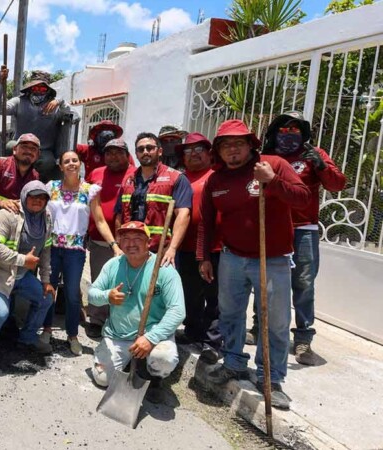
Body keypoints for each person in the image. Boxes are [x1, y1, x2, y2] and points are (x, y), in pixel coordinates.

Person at [198, 119, 309, 410]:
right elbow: (207, 222)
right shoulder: (216, 179)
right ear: (218, 151)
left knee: (275, 321)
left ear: (251, 144)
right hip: (232, 257)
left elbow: (303, 199)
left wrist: (272, 181)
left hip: (272, 259)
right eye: (225, 145)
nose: (232, 150)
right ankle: (233, 362)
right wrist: (205, 257)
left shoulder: (273, 164)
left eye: (238, 143)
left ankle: (270, 378)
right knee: (230, 314)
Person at [259, 111, 346, 365]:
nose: (288, 135)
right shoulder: (268, 156)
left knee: (304, 284)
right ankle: (258, 328)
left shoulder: (313, 155)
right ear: (275, 133)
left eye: (295, 130)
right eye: (283, 130)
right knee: (265, 280)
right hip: (273, 227)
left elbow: (337, 184)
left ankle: (303, 339)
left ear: (304, 133)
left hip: (304, 230)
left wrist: (321, 164)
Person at [88, 221, 185, 402]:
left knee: (163, 358)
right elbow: (92, 294)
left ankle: (155, 377)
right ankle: (128, 362)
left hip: (151, 334)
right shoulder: (113, 264)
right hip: (118, 335)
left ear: (148, 242)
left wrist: (151, 338)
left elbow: (178, 311)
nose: (131, 243)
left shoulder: (163, 269)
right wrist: (107, 296)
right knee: (102, 379)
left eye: (138, 238)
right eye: (125, 238)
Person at [0, 181, 55, 373]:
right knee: (0, 312)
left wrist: (46, 280)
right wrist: (22, 260)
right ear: (24, 196)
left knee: (46, 298)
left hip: (21, 276)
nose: (37, 201)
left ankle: (27, 338)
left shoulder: (46, 218)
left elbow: (45, 251)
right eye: (33, 196)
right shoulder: (7, 214)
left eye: (42, 197)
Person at [40, 151, 120, 356]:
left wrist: (114, 245)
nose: (71, 164)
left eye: (74, 160)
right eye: (66, 161)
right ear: (60, 166)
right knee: (49, 290)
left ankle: (72, 335)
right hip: (52, 248)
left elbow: (100, 220)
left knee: (73, 294)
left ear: (80, 164)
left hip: (75, 251)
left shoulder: (90, 190)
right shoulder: (51, 188)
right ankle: (47, 330)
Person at [174, 133, 222, 364]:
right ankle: (193, 331)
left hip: (213, 247)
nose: (192, 154)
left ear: (209, 152)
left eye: (198, 149)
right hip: (185, 246)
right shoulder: (180, 179)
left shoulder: (216, 177)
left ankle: (213, 342)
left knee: (214, 295)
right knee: (189, 293)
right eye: (187, 151)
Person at [115, 132, 193, 267]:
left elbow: (183, 214)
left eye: (150, 148)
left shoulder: (176, 178)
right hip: (131, 251)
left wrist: (172, 248)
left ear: (160, 151)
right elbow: (119, 214)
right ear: (136, 153)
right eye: (140, 149)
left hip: (161, 252)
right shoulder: (128, 181)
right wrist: (119, 244)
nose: (145, 152)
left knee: (159, 288)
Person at [85, 138, 135, 338]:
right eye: (109, 152)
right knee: (99, 278)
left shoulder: (134, 174)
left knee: (125, 282)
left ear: (127, 154)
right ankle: (96, 319)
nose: (113, 156)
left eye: (118, 152)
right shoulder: (96, 173)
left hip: (127, 241)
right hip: (98, 239)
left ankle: (119, 321)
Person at [0, 68, 76, 182]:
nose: (38, 90)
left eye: (42, 88)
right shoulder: (19, 101)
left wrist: (60, 101)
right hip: (21, 146)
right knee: (9, 146)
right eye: (35, 87)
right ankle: (15, 177)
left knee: (48, 162)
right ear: (30, 88)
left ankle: (36, 181)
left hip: (43, 150)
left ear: (47, 90)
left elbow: (71, 114)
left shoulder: (56, 105)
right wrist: (2, 84)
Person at [0, 132, 41, 212]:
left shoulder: (35, 176)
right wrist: (0, 202)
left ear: (37, 155)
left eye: (33, 149)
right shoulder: (0, 164)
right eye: (24, 147)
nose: (29, 151)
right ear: (14, 150)